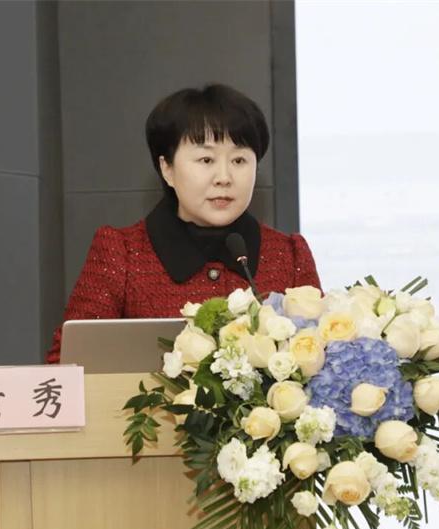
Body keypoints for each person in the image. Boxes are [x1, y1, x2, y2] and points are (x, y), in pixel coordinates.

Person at [45, 84, 321, 363]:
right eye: (206, 159)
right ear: (167, 169)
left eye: (239, 160)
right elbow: (67, 364)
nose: (224, 177)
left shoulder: (288, 254)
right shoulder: (122, 253)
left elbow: (321, 359)